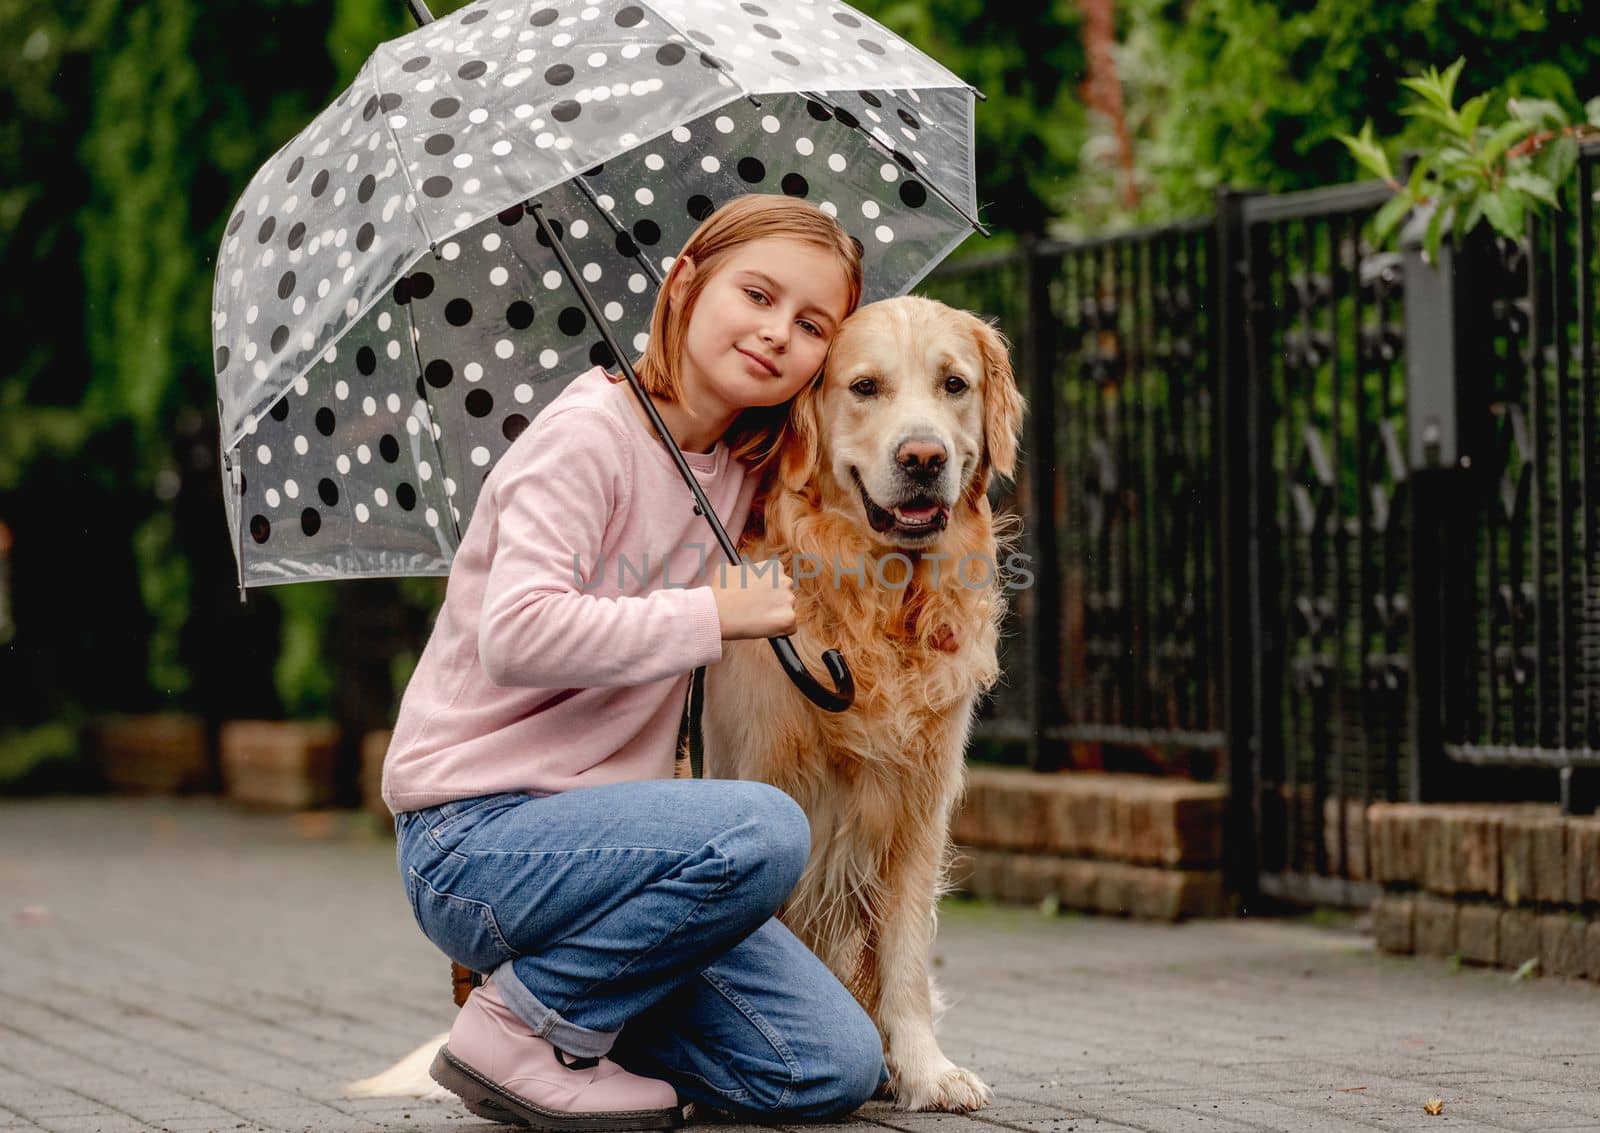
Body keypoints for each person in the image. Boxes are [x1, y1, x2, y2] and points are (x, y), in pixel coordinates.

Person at [382, 194, 881, 1130]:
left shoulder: (731, 469)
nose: (778, 333)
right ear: (685, 283)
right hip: (476, 836)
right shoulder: (586, 440)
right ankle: (519, 1026)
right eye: (757, 294)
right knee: (761, 831)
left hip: (616, 858)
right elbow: (519, 632)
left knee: (827, 1066)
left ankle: (575, 1020)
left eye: (812, 324)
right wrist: (708, 615)